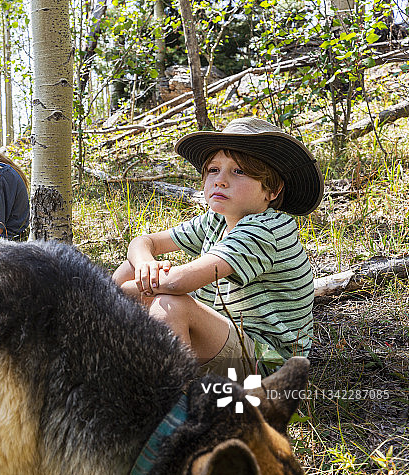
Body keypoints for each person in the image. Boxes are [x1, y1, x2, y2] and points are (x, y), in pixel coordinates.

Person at [112, 117, 323, 378]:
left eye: (239, 171)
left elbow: (179, 282)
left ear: (273, 190)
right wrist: (145, 264)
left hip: (269, 362)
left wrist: (121, 293)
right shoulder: (216, 220)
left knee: (170, 304)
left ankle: (182, 405)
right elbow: (144, 242)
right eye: (213, 170)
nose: (220, 181)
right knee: (129, 268)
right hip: (226, 336)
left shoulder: (266, 229)